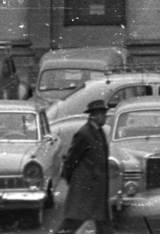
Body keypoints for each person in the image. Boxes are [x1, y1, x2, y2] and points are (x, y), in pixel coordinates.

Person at [57, 99, 111, 234]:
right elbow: (70, 160)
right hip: (85, 188)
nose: (105, 117)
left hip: (97, 187)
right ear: (94, 115)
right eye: (103, 114)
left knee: (103, 222)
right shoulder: (84, 133)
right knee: (73, 221)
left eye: (105, 114)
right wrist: (73, 181)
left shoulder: (99, 131)